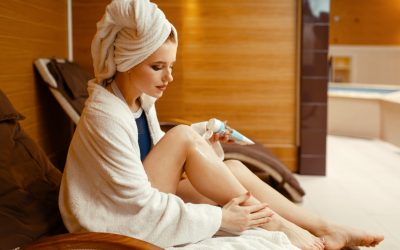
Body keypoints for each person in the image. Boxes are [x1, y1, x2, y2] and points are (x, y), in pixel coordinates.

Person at [59, 0, 384, 249]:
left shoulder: (140, 100)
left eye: (171, 65)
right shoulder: (105, 116)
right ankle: (279, 226)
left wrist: (204, 135)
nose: (169, 77)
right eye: (158, 66)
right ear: (127, 62)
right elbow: (133, 202)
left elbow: (152, 153)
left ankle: (324, 226)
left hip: (140, 192)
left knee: (236, 168)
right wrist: (221, 218)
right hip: (114, 214)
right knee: (184, 135)